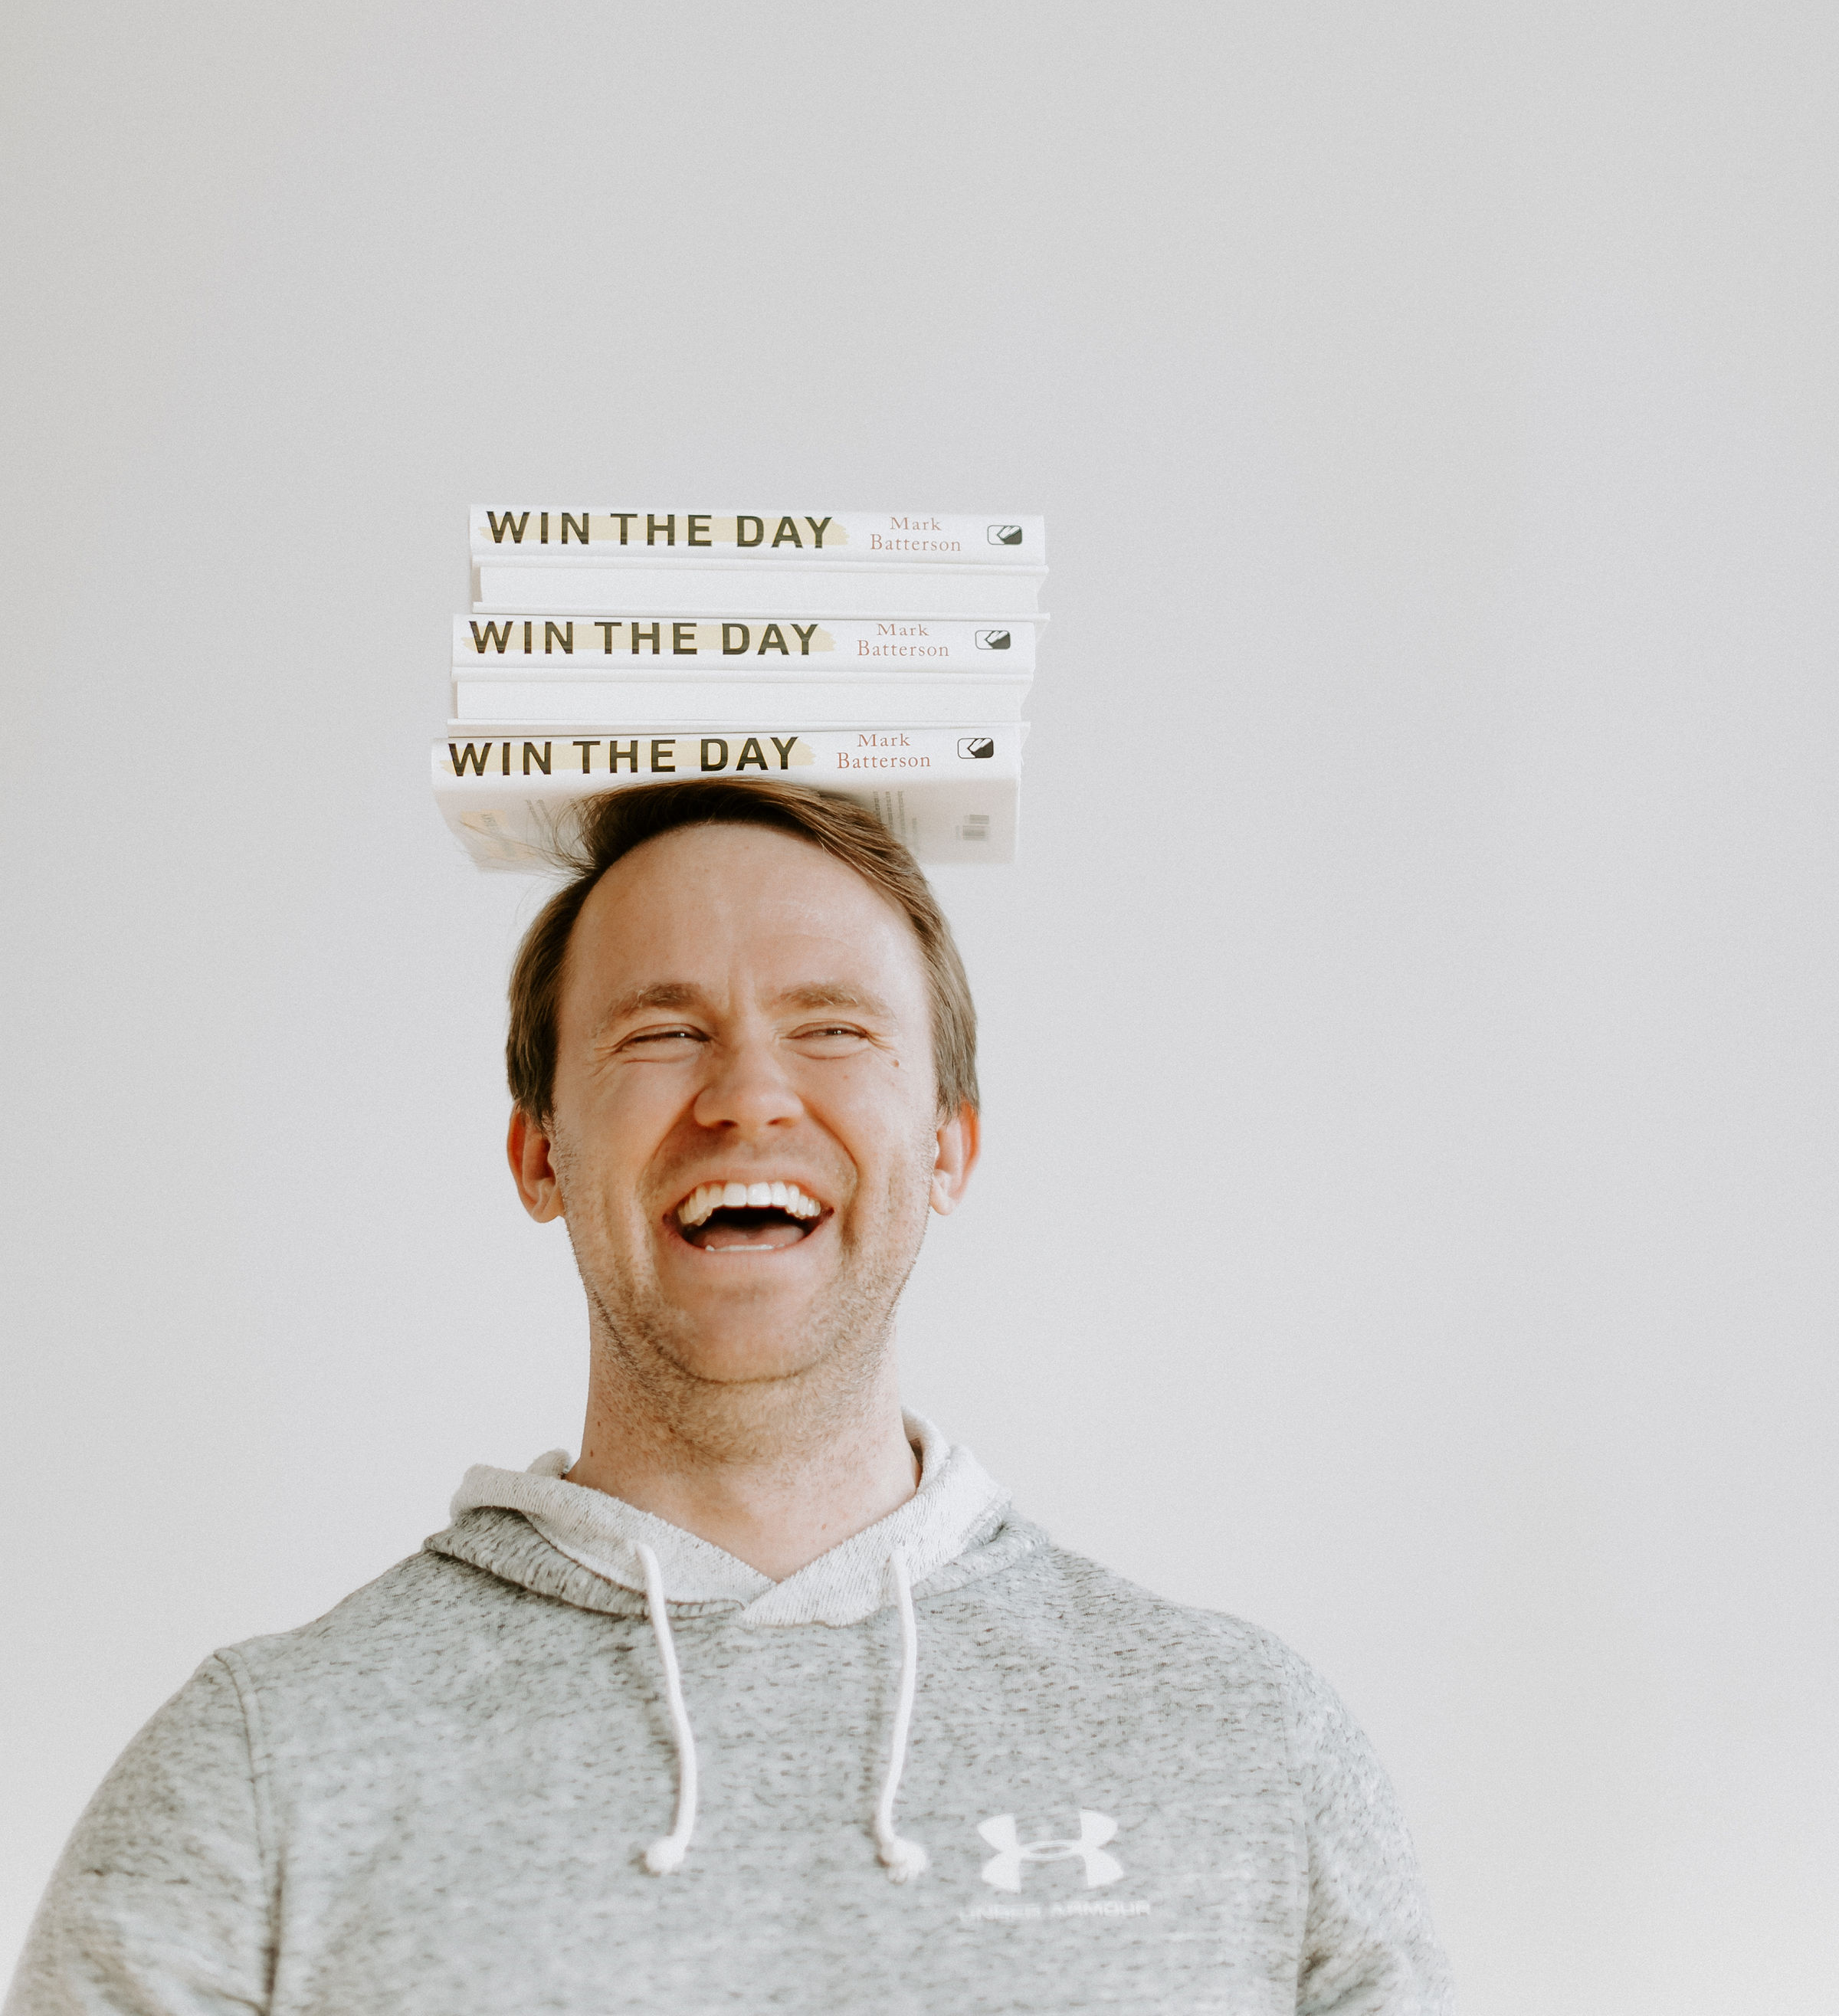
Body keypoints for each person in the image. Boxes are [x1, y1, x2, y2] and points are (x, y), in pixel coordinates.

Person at [8, 779, 1453, 2014]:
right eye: (659, 1034)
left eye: (833, 1029)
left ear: (948, 1147)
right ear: (538, 1155)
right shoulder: (260, 1772)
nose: (750, 1096)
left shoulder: (1253, 1751)